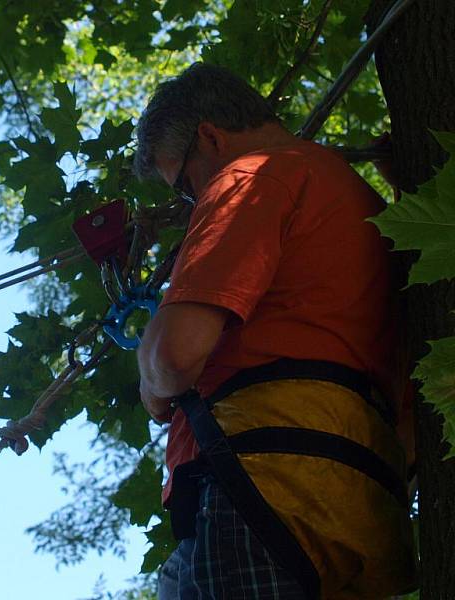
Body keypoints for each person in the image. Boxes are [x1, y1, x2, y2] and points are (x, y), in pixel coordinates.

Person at [133, 63, 416, 599]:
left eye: (189, 186)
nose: (196, 202)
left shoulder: (251, 177)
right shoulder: (368, 209)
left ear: (210, 137)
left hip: (267, 490)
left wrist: (149, 381)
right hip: (366, 512)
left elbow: (174, 355)